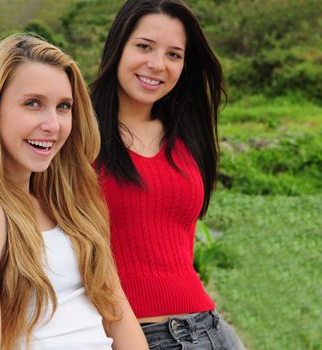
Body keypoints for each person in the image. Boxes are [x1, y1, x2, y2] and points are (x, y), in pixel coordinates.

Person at [0, 34, 148, 350]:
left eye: (63, 106)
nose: (52, 124)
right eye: (33, 103)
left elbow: (115, 310)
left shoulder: (67, 199)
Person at [91, 0, 246, 349]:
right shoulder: (78, 132)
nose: (157, 64)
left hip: (212, 329)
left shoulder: (187, 135)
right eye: (144, 46)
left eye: (174, 55)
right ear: (118, 46)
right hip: (136, 337)